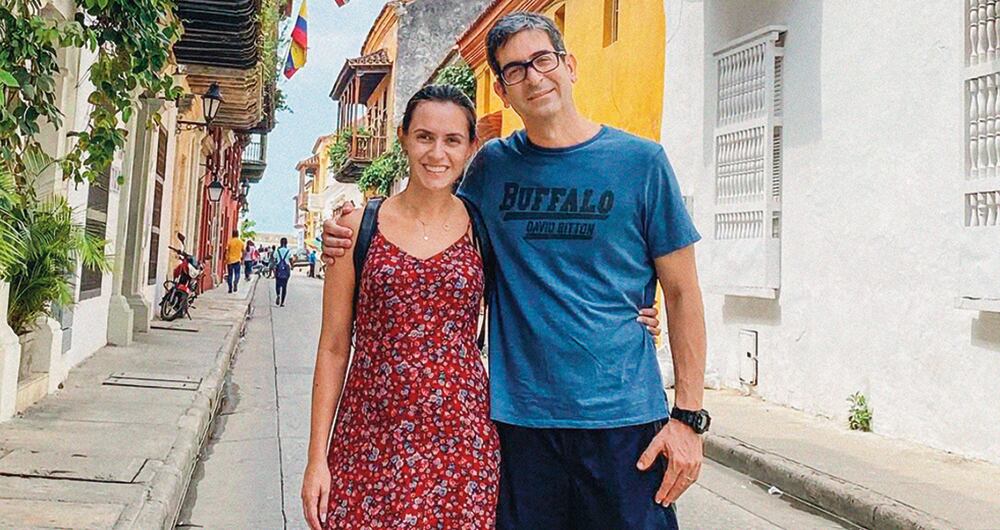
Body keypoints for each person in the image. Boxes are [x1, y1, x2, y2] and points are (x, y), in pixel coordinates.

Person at [322, 12, 708, 530]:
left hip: (623, 420)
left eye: (543, 60)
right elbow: (429, 217)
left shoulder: (641, 163)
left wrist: (688, 418)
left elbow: (682, 293)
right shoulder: (491, 168)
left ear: (570, 66)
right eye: (514, 70)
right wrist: (347, 226)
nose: (533, 76)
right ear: (502, 92)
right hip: (519, 426)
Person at [273, 238, 292, 307]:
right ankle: (282, 302)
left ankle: (278, 295)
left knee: (277, 284)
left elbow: (274, 257)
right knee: (284, 286)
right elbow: (291, 259)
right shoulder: (288, 251)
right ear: (286, 243)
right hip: (286, 269)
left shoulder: (277, 250)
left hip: (278, 269)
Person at [225, 229, 244, 294]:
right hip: (237, 260)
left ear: (232, 234)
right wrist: (242, 259)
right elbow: (243, 251)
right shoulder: (240, 242)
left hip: (230, 260)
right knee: (237, 273)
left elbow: (226, 250)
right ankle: (235, 282)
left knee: (230, 275)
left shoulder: (230, 242)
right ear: (238, 235)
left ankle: (230, 288)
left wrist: (226, 259)